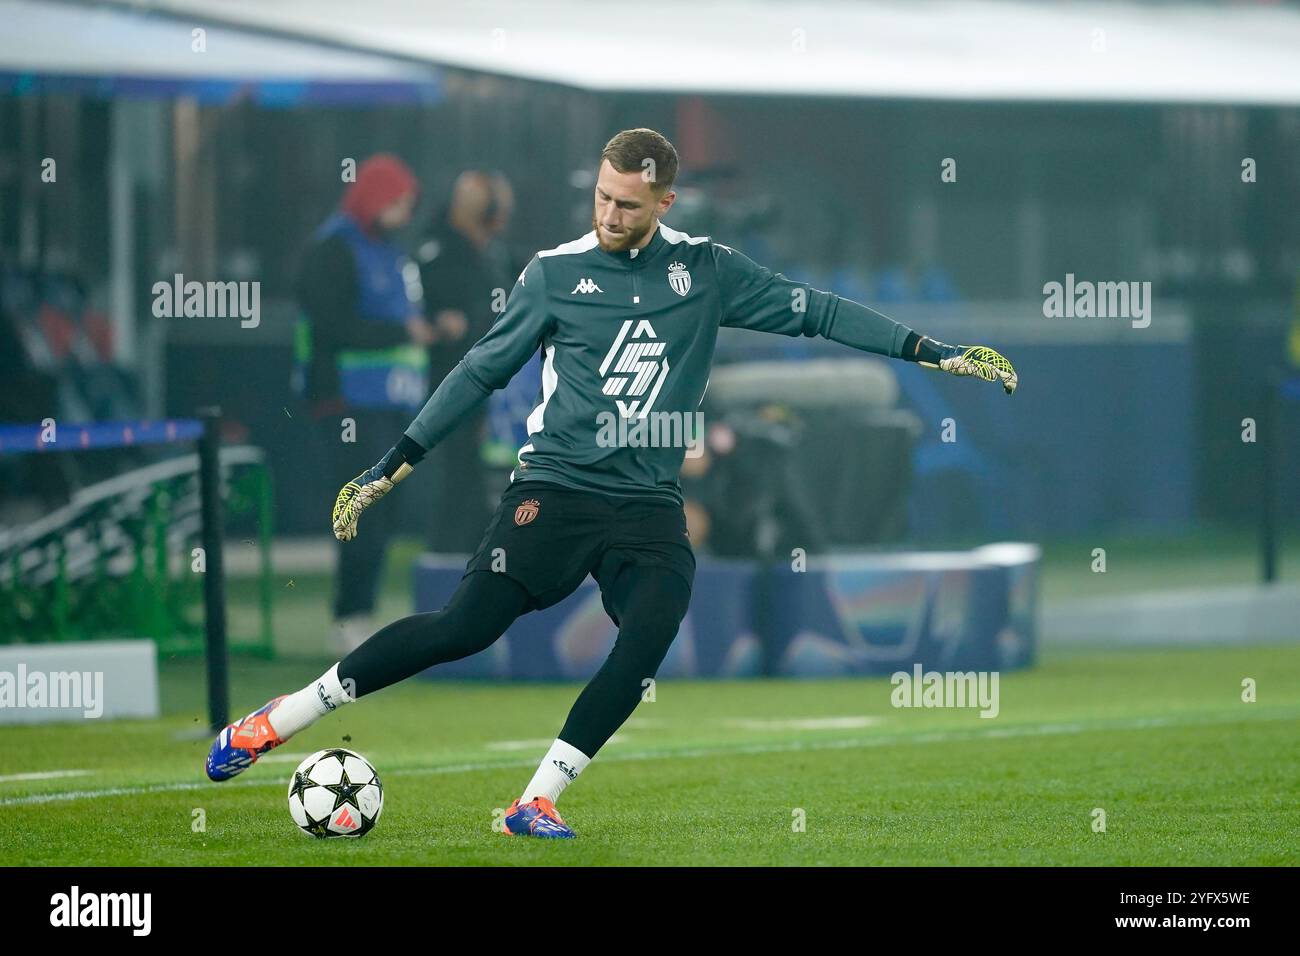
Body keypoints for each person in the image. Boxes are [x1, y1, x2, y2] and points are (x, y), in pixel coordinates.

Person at [208, 129, 1018, 838]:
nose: (609, 216)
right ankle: (278, 720)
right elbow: (479, 370)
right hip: (554, 489)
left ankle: (537, 801)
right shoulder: (555, 275)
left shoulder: (709, 272)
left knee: (649, 637)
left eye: (628, 205)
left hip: (646, 506)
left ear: (664, 201)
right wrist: (392, 466)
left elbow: (821, 312)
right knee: (464, 628)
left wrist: (930, 349)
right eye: (602, 198)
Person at [293, 154, 434, 653]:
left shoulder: (391, 250)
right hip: (345, 403)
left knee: (387, 511)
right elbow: (330, 325)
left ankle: (363, 611)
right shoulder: (332, 250)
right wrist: (402, 332)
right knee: (363, 506)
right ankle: (348, 614)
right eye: (396, 202)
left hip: (390, 401)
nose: (403, 213)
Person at [416, 171, 517, 551]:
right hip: (452, 385)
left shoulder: (494, 254)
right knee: (458, 479)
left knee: (485, 482)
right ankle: (446, 559)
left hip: (497, 386)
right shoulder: (438, 255)